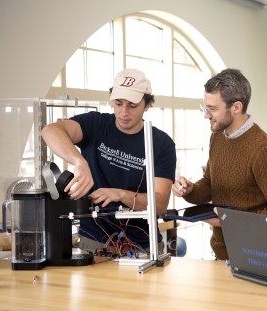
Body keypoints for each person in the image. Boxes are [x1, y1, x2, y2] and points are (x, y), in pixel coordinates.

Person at [41, 68, 176, 254]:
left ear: (147, 105)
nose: (124, 112)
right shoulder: (95, 124)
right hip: (92, 241)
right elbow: (50, 131)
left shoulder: (161, 143)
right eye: (118, 103)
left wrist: (121, 195)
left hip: (143, 245)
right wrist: (79, 162)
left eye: (133, 105)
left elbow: (160, 205)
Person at [172, 68, 267, 260]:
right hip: (223, 253)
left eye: (212, 109)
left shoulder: (265, 152)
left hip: (259, 258)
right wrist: (191, 191)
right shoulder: (217, 137)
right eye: (205, 107)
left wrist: (228, 220)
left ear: (236, 107)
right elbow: (211, 184)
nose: (206, 115)